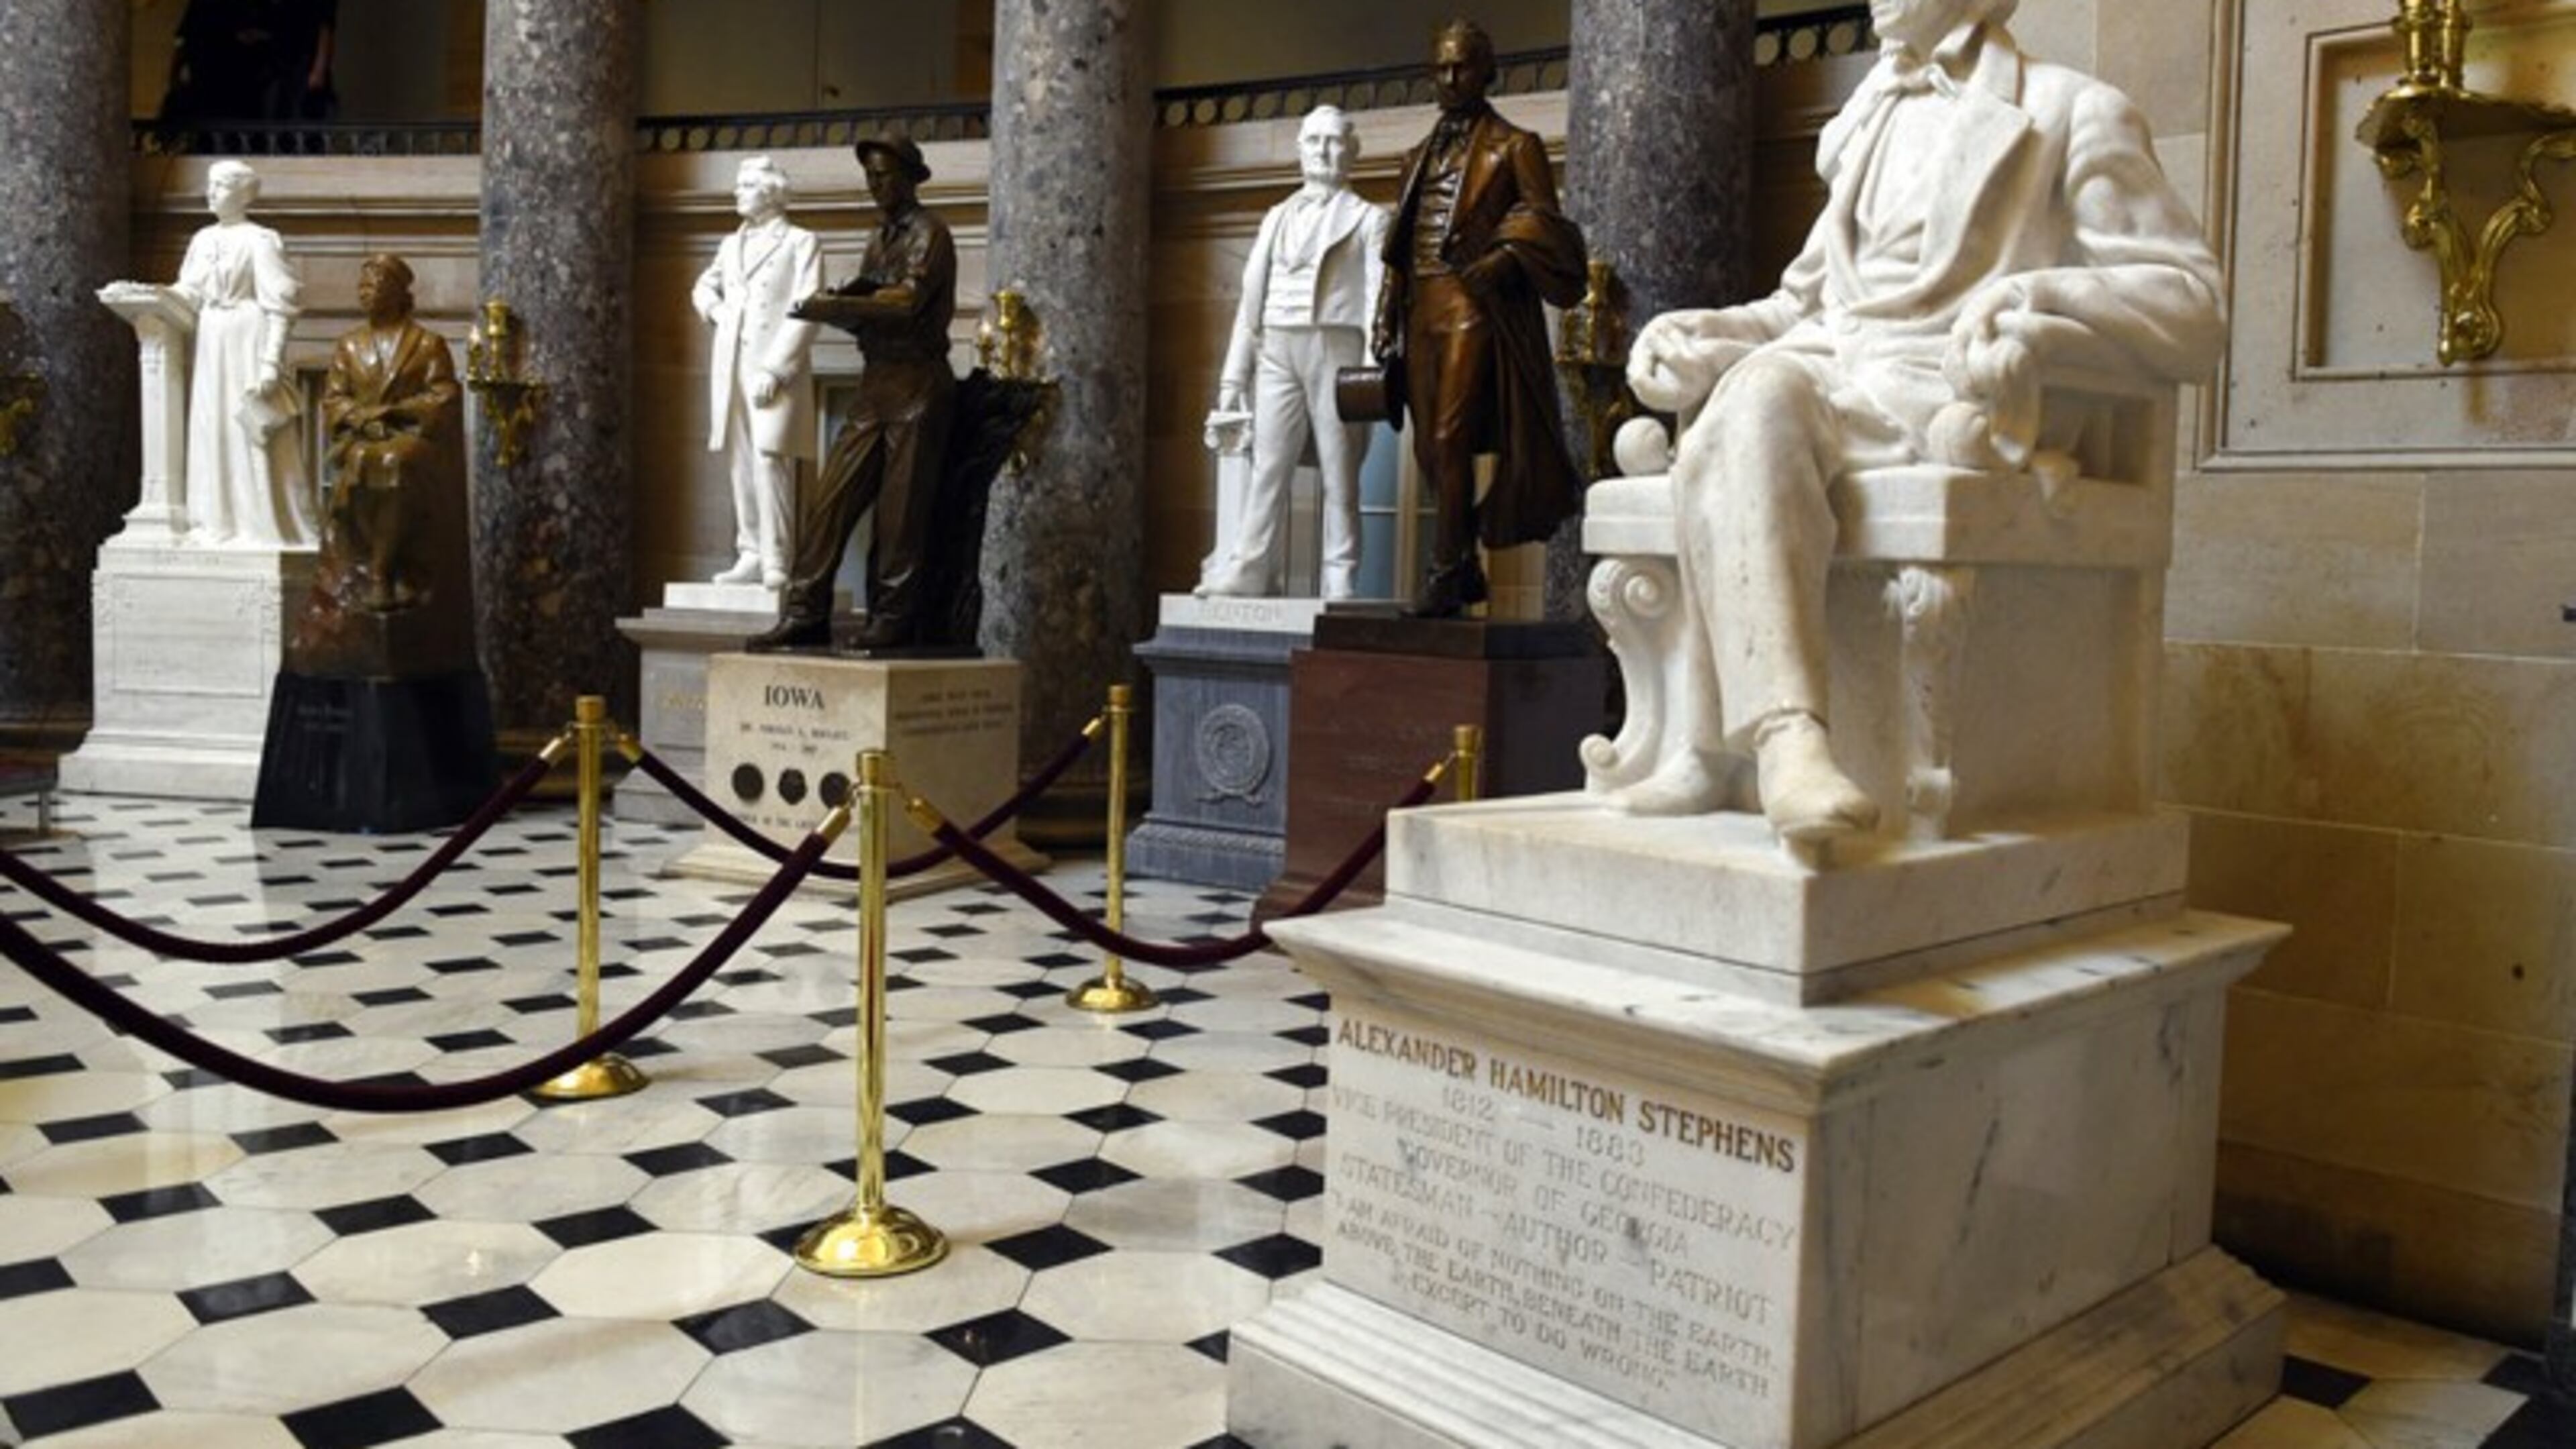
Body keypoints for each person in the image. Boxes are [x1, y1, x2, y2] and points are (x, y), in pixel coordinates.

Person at [1616, 0, 2225, 845]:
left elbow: (2191, 306)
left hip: (1941, 388)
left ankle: (1777, 743)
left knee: (1754, 402)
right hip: (1835, 366)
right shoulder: (1867, 116)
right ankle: (1756, 742)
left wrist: (2034, 295)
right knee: (1748, 392)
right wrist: (1705, 333)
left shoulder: (2072, 112)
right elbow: (1807, 302)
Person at [1374, 18, 1587, 619]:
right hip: (1420, 306)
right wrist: (1385, 312)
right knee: (1429, 454)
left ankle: (1444, 574)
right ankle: (1463, 564)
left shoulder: (1515, 145)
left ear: (1487, 70)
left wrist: (1503, 258)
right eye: (1440, 67)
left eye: (1461, 66)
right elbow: (1399, 242)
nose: (1449, 78)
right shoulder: (1416, 156)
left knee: (1451, 438)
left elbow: (1546, 222)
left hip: (1473, 304)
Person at [748, 136, 957, 654]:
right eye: (870, 177)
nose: (875, 185)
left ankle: (893, 618)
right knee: (828, 503)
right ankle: (805, 613)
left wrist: (846, 304)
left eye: (884, 175)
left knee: (899, 515)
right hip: (875, 384)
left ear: (909, 177)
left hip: (916, 385)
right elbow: (872, 295)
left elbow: (908, 301)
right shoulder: (878, 237)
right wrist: (837, 306)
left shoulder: (931, 233)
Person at [1199, 105, 1388, 601]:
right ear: (1299, 149)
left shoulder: (1369, 219)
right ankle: (1252, 566)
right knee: (1268, 466)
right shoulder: (1276, 217)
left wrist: (1372, 369)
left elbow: (1376, 300)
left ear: (1352, 151)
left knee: (1340, 469)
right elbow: (1250, 302)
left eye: (1334, 141)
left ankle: (1340, 574)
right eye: (1314, 141)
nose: (1323, 151)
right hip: (1276, 348)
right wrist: (1232, 378)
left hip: (1336, 346)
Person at [290, 254, 473, 674]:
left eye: (373, 286)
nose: (364, 293)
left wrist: (392, 416)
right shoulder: (350, 345)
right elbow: (334, 399)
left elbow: (443, 395)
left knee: (395, 461)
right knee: (361, 462)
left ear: (396, 292)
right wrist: (360, 419)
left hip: (411, 441)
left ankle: (381, 570)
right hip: (359, 440)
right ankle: (369, 567)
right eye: (362, 287)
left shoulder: (427, 344)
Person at [692, 156, 823, 590]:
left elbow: (808, 307)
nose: (737, 192)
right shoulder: (731, 244)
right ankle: (749, 550)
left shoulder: (800, 241)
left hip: (772, 368)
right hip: (732, 364)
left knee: (771, 460)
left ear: (770, 192)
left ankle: (777, 557)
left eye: (746, 185)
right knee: (740, 461)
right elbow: (703, 286)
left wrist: (777, 368)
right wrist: (716, 308)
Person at [170, 158, 314, 547]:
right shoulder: (202, 239)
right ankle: (215, 520)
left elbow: (279, 305)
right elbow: (188, 291)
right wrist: (150, 297)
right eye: (209, 186)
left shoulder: (260, 239)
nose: (210, 193)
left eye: (219, 186)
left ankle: (256, 522)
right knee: (210, 424)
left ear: (241, 193)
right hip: (212, 337)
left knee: (247, 430)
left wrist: (270, 361)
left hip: (246, 337)